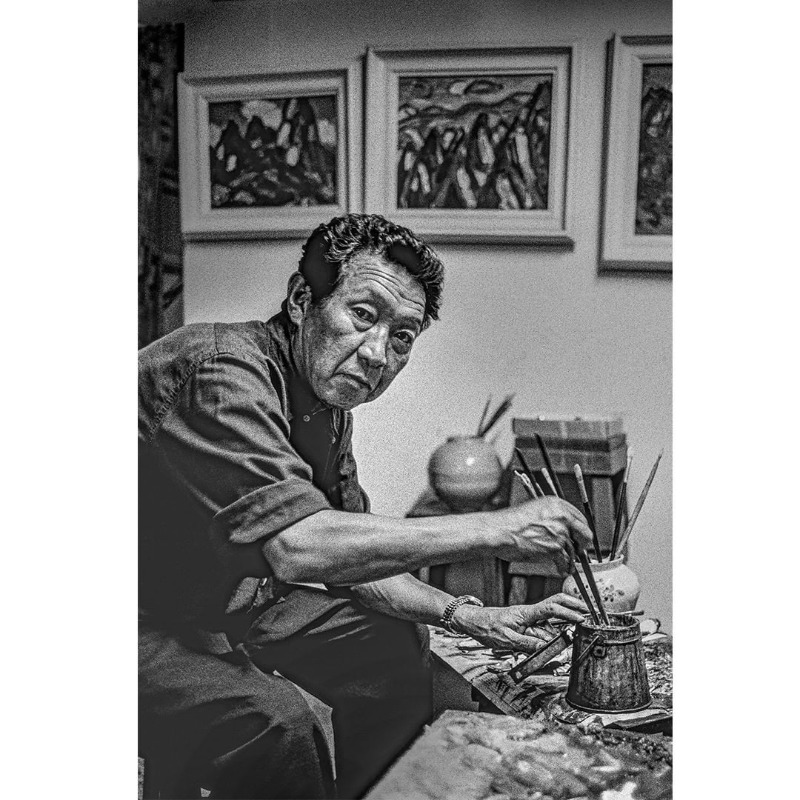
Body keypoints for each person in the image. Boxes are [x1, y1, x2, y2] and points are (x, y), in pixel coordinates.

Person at [139, 213, 593, 799]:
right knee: (279, 725)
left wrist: (466, 616)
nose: (378, 352)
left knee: (390, 646)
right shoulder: (222, 373)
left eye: (402, 336)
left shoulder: (326, 408)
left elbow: (355, 565)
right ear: (302, 300)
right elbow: (300, 547)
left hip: (221, 600)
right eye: (362, 314)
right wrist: (497, 529)